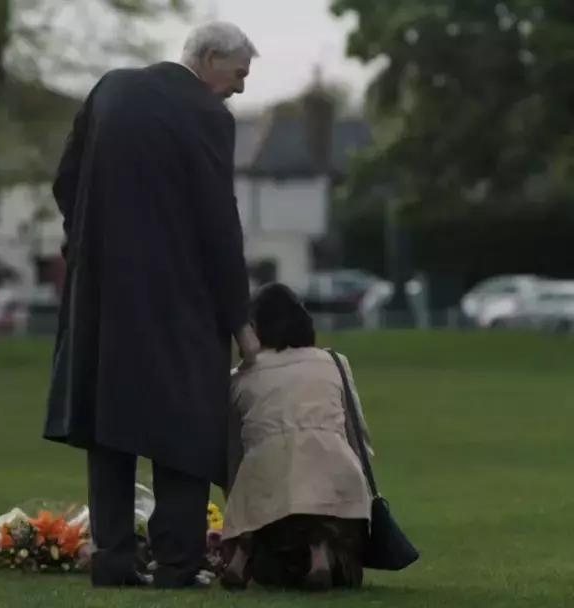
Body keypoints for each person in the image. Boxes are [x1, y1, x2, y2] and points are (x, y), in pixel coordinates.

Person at [42, 22, 262, 588]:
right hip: (178, 298)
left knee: (108, 424)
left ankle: (113, 558)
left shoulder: (109, 89)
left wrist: (86, 241)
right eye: (238, 74)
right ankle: (177, 562)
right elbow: (219, 224)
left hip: (102, 295)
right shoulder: (209, 117)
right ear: (211, 59)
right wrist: (240, 321)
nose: (239, 88)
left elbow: (67, 180)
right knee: (185, 425)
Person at [221, 283, 373, 590]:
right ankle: (321, 549)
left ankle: (242, 552)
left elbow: (232, 452)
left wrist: (235, 502)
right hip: (336, 479)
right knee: (342, 553)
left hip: (266, 491)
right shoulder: (334, 363)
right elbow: (357, 434)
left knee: (272, 560)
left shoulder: (241, 378)